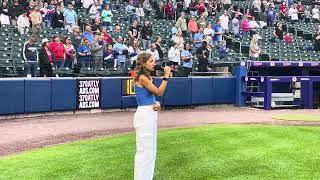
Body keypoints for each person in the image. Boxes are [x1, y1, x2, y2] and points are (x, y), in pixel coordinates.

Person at [133, 52, 171, 180]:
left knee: (150, 150)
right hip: (144, 115)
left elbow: (153, 97)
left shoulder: (148, 77)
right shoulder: (142, 78)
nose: (154, 63)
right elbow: (159, 92)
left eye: (154, 61)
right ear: (143, 63)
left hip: (150, 113)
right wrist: (166, 76)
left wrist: (156, 103)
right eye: (151, 61)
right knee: (144, 151)